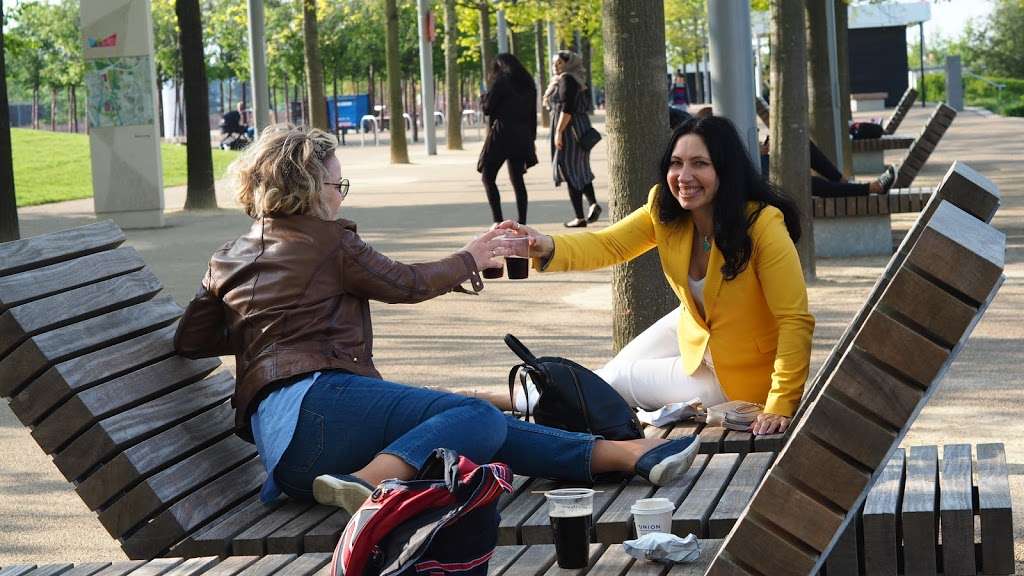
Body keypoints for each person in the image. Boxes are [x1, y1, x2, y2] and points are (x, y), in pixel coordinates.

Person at [173, 124, 703, 516]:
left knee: (474, 426)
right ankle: (365, 482)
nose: (341, 193)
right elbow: (405, 283)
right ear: (310, 189)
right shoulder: (331, 241)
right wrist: (473, 256)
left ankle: (628, 455)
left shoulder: (227, 256)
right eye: (338, 184)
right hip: (320, 413)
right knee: (473, 415)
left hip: (288, 460)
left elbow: (194, 338)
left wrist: (262, 323)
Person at [493, 116, 815, 436]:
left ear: (725, 171)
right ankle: (511, 400)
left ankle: (495, 400)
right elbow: (609, 244)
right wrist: (542, 245)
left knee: (614, 383)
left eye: (699, 163)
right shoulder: (665, 209)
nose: (684, 176)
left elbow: (794, 319)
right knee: (610, 376)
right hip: (692, 328)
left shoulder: (762, 225)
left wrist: (780, 403)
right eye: (676, 163)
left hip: (739, 376)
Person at [478, 53, 538, 225]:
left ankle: (497, 220)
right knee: (517, 180)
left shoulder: (502, 81)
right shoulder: (528, 84)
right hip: (522, 135)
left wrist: (483, 98)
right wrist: (531, 139)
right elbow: (532, 115)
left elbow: (488, 108)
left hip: (502, 135)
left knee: (488, 177)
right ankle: (522, 221)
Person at [543, 51, 601, 228]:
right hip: (579, 129)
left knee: (569, 171)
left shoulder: (567, 79)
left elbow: (567, 108)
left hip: (570, 131)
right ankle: (592, 204)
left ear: (569, 64)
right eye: (554, 63)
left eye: (559, 63)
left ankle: (580, 217)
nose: (556, 66)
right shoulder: (576, 78)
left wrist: (559, 132)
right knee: (580, 169)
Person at [759, 136, 896, 197]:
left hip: (761, 164)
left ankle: (843, 182)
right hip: (760, 178)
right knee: (805, 183)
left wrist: (761, 148)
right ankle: (872, 188)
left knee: (801, 143)